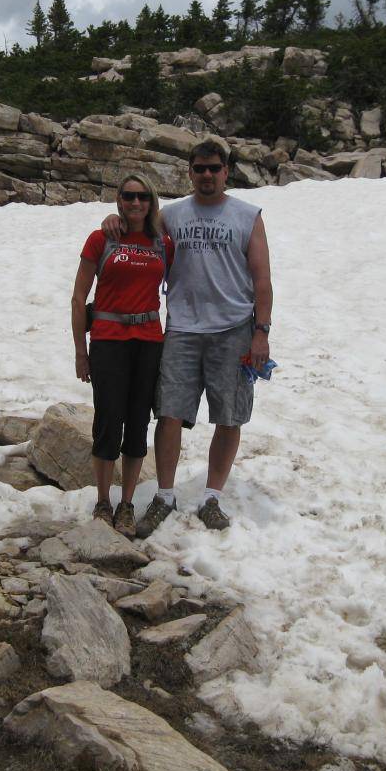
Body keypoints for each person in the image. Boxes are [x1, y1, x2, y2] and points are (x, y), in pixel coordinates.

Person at [103, 138, 272, 536]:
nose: (207, 175)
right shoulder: (173, 215)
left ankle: (212, 495)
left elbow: (262, 280)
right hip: (181, 328)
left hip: (233, 329)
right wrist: (112, 222)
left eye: (215, 168)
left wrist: (261, 332)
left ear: (227, 171)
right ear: (190, 172)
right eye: (200, 169)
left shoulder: (248, 215)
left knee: (229, 417)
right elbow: (136, 230)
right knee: (169, 413)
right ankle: (164, 494)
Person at [71, 174, 175, 538]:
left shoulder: (162, 243)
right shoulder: (103, 239)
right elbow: (78, 297)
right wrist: (80, 353)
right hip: (108, 340)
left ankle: (127, 504)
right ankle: (103, 501)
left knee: (137, 422)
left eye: (142, 196)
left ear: (151, 200)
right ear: (118, 199)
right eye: (128, 196)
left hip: (148, 341)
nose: (135, 203)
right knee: (108, 421)